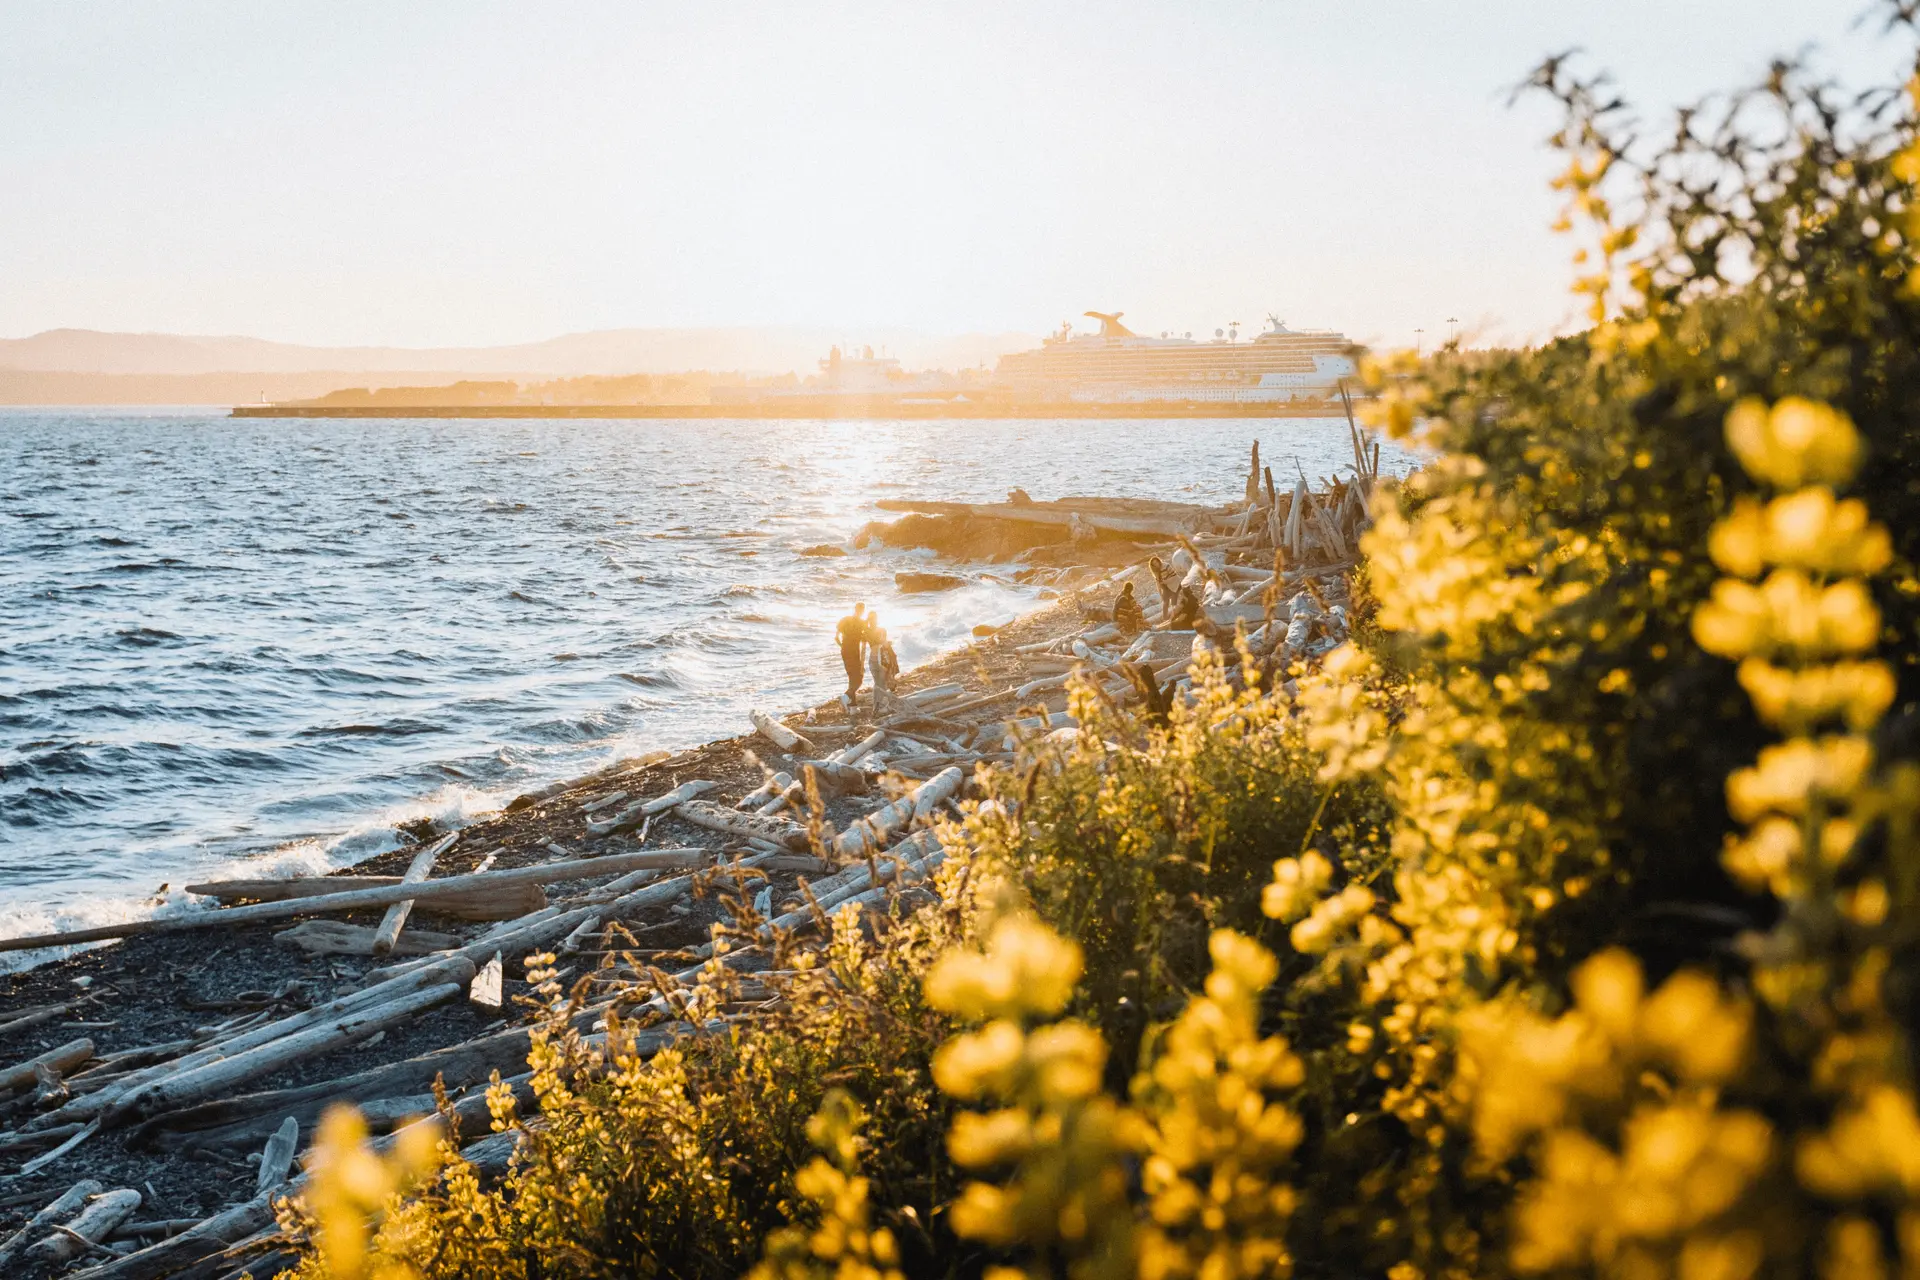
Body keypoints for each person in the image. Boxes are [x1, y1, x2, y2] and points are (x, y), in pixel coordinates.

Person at [835, 603, 869, 711]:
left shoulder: (844, 620)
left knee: (852, 677)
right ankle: (846, 696)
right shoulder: (862, 623)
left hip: (845, 651)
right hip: (854, 652)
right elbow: (866, 638)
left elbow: (836, 638)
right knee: (858, 678)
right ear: (862, 611)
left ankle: (853, 706)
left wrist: (843, 647)